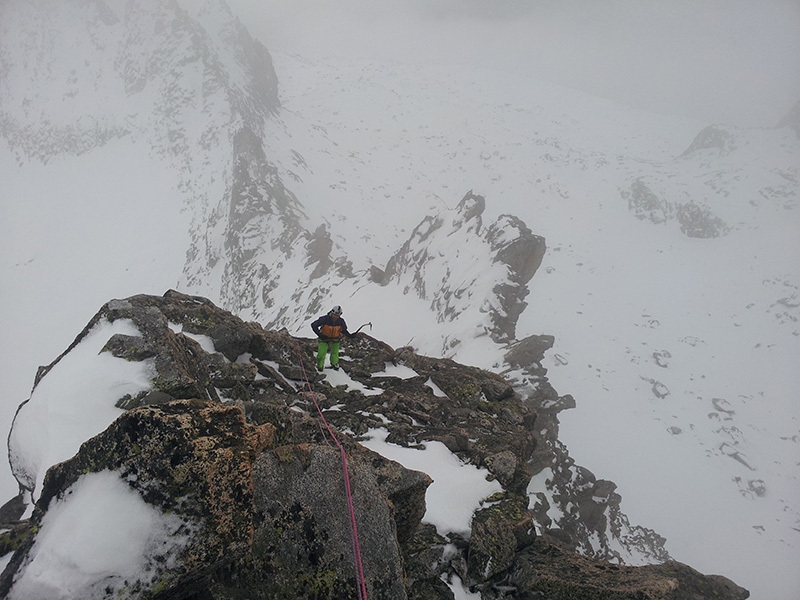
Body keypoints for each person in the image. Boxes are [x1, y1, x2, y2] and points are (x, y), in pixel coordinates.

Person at [311, 305, 355, 371]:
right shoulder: (325, 319)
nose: (335, 317)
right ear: (332, 312)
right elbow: (313, 325)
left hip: (335, 339)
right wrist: (320, 335)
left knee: (335, 354)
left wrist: (349, 335)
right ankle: (319, 367)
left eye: (337, 315)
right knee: (321, 355)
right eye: (335, 315)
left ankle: (334, 364)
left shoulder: (341, 321)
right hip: (324, 339)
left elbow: (343, 330)